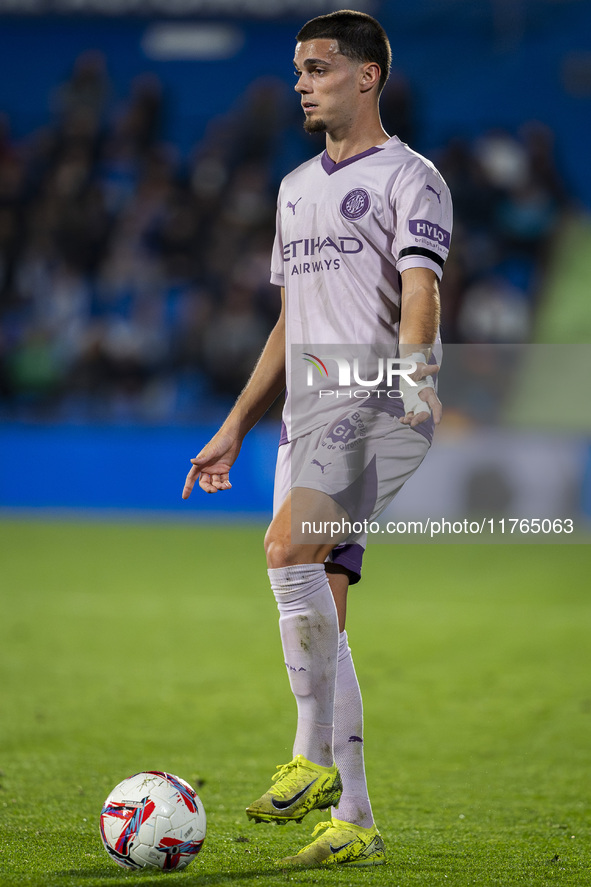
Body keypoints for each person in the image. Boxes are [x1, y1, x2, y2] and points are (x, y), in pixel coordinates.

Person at [182, 9, 452, 868]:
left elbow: (421, 291)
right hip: (307, 410)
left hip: (370, 393)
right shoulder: (295, 188)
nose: (301, 81)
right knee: (323, 604)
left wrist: (413, 379)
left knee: (283, 547)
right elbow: (290, 320)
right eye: (298, 68)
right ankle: (357, 816)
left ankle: (308, 755)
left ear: (366, 75)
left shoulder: (412, 177)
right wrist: (233, 426)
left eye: (318, 67)